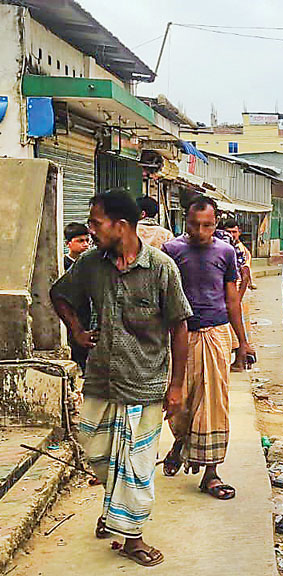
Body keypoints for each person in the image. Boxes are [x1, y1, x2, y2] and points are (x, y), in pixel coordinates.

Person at [49, 191, 191, 567]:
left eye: (96, 223)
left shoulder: (162, 268)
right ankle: (115, 510)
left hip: (145, 385)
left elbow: (179, 327)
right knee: (96, 451)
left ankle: (133, 537)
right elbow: (59, 294)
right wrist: (77, 330)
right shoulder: (91, 264)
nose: (91, 230)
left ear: (121, 226)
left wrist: (176, 387)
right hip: (100, 380)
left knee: (135, 466)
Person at [161, 196, 252, 500]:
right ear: (185, 221)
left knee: (213, 403)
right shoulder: (172, 251)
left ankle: (211, 473)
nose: (201, 231)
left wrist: (243, 343)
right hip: (179, 335)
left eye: (208, 225)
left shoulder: (226, 253)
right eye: (195, 224)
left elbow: (232, 300)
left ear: (215, 223)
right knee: (180, 401)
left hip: (215, 334)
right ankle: (181, 443)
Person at [220, 218, 253, 371]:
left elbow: (245, 276)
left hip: (238, 293)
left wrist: (237, 298)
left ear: (239, 232)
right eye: (229, 232)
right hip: (231, 294)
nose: (232, 234)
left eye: (234, 232)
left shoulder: (240, 250)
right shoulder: (226, 247)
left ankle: (240, 361)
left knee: (239, 328)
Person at [63, 223, 92, 370]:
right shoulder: (62, 264)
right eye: (80, 241)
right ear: (68, 243)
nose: (85, 245)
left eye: (87, 241)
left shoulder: (91, 264)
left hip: (88, 313)